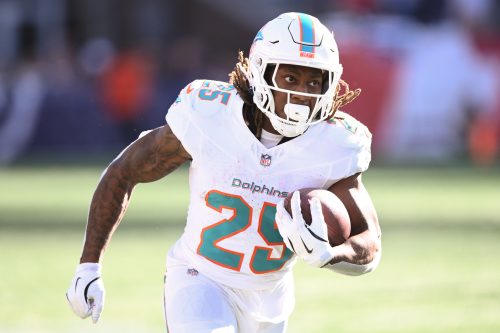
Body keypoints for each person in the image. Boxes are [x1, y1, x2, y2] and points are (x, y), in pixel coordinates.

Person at [66, 12, 382, 333]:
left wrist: (331, 253)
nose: (302, 93)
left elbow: (369, 243)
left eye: (314, 81)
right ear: (260, 72)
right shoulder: (210, 115)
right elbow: (124, 172)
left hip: (271, 299)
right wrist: (88, 265)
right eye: (290, 78)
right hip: (200, 280)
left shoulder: (337, 143)